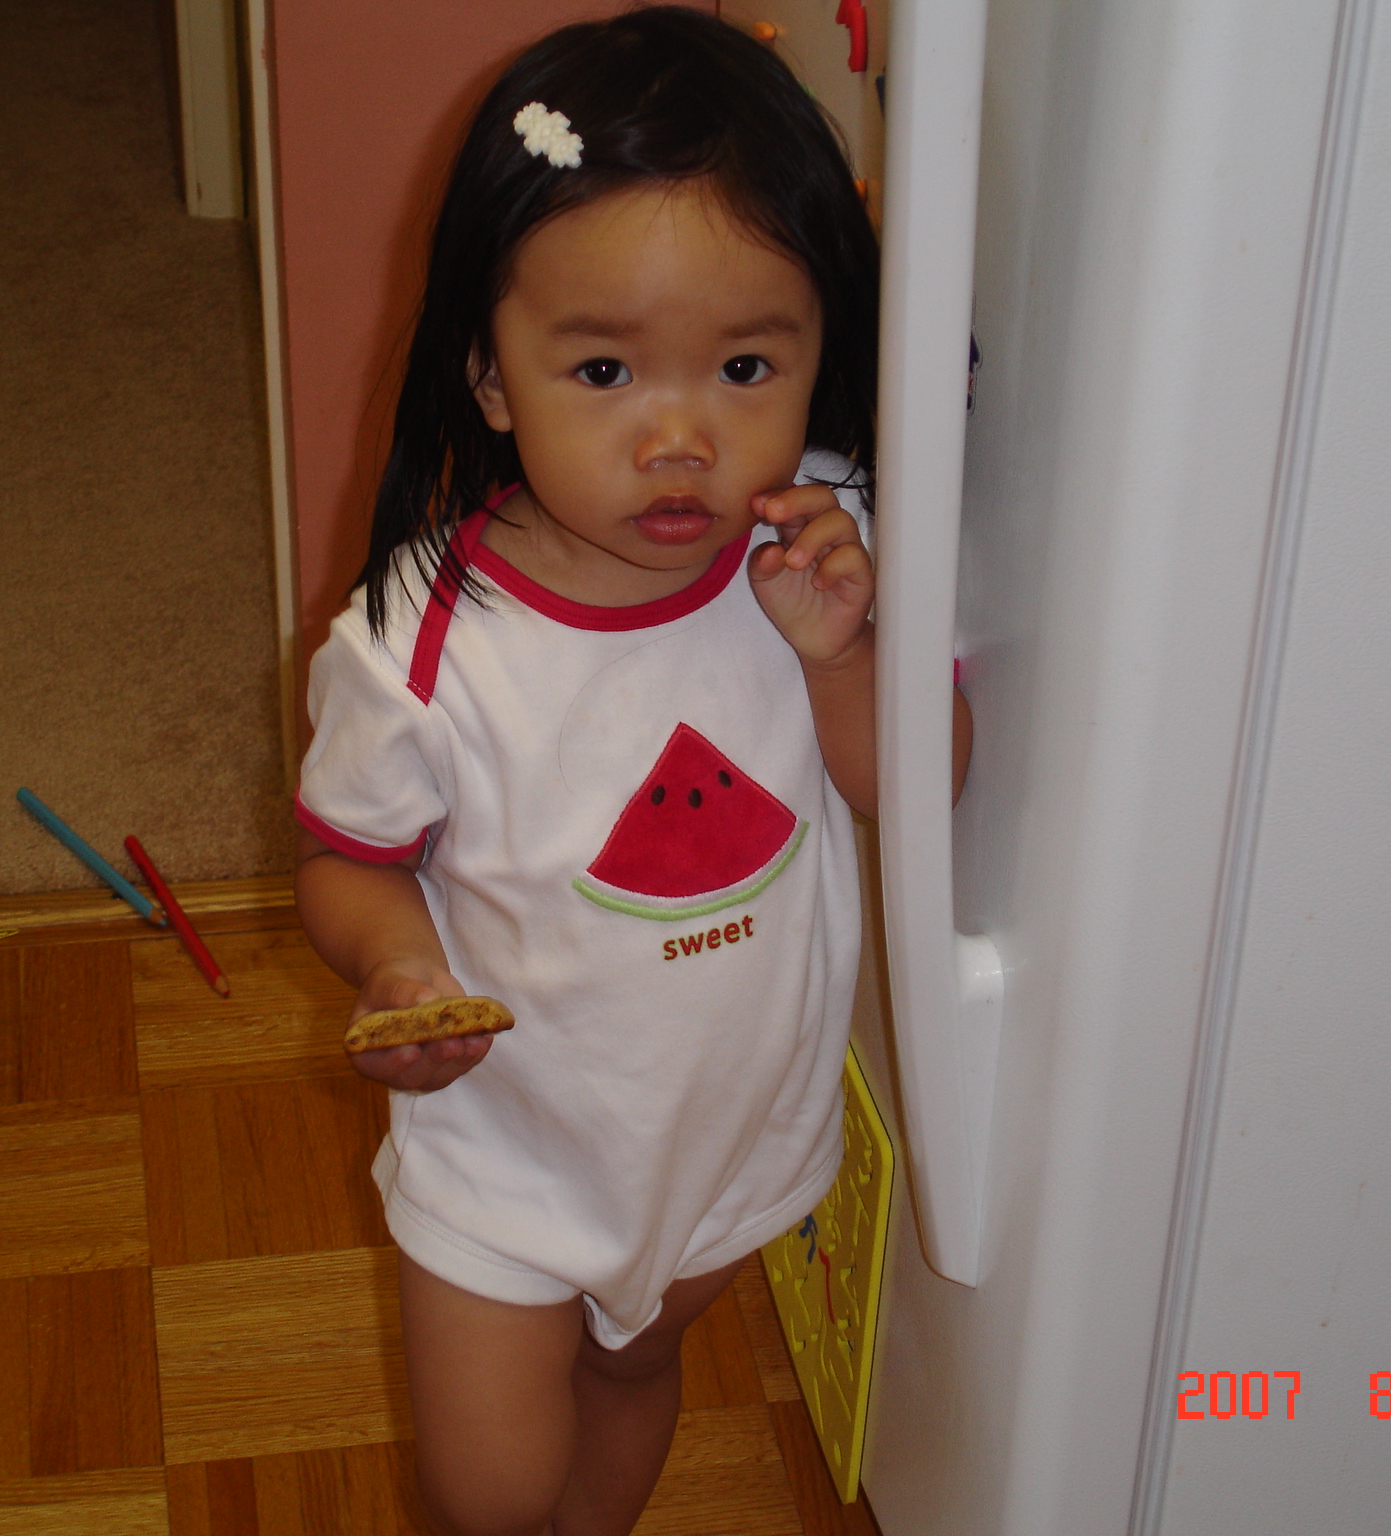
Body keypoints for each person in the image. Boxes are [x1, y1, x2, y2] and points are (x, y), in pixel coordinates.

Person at [292, 11, 970, 1534]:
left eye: (744, 366)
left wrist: (843, 655)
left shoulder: (824, 543)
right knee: (488, 1493)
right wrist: (397, 964)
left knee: (637, 1371)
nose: (679, 437)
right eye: (603, 368)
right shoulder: (421, 640)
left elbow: (915, 789)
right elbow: (345, 856)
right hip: (508, 1155)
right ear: (489, 372)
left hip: (728, 1145)